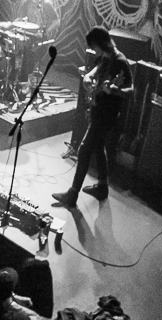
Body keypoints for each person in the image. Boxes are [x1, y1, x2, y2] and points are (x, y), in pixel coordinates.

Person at [52, 27, 133, 207]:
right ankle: (102, 187)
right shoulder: (106, 57)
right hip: (98, 110)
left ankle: (72, 195)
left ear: (99, 44)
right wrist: (89, 77)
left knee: (84, 149)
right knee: (98, 146)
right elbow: (96, 69)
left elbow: (131, 90)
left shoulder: (120, 61)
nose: (94, 51)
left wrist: (115, 89)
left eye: (94, 47)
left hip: (107, 114)